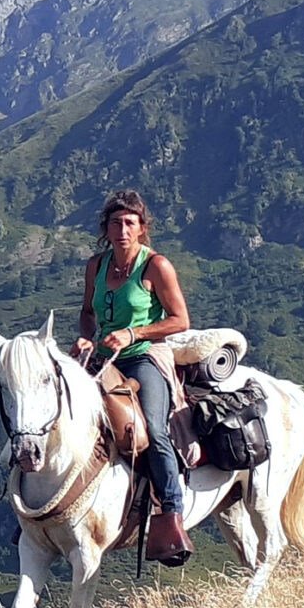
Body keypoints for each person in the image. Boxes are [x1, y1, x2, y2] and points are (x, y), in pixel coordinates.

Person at [73, 189, 191, 530]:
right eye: (115, 223)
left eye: (129, 223)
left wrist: (133, 333)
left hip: (144, 357)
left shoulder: (156, 266)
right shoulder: (96, 266)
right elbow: (86, 312)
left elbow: (180, 320)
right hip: (105, 358)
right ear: (106, 229)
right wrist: (86, 336)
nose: (122, 230)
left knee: (153, 428)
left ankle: (172, 512)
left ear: (142, 228)